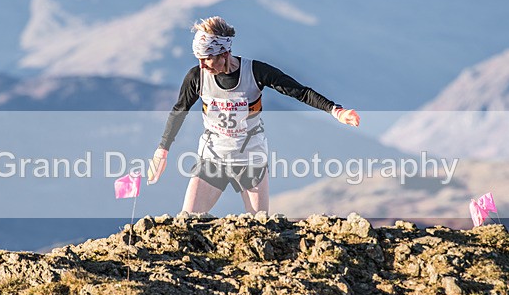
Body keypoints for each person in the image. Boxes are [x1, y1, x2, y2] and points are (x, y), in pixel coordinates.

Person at [147, 16, 360, 214]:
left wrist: (336, 111)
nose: (201, 65)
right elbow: (179, 111)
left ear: (224, 53)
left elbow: (300, 91)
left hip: (250, 159)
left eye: (207, 59)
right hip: (213, 158)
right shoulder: (197, 76)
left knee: (259, 229)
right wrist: (161, 151)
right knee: (187, 223)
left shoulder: (255, 72)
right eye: (198, 59)